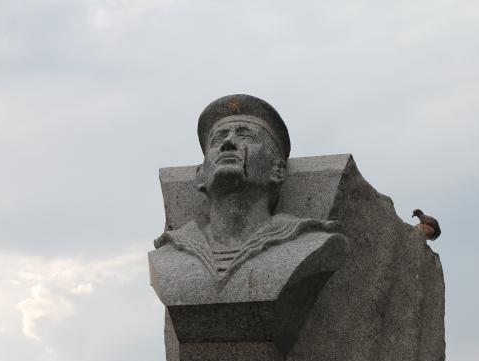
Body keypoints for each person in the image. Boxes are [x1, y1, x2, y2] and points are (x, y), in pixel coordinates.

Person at [149, 95, 348, 303]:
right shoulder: (168, 256)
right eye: (218, 139)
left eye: (246, 136)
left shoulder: (312, 244)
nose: (228, 142)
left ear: (278, 171)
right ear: (200, 176)